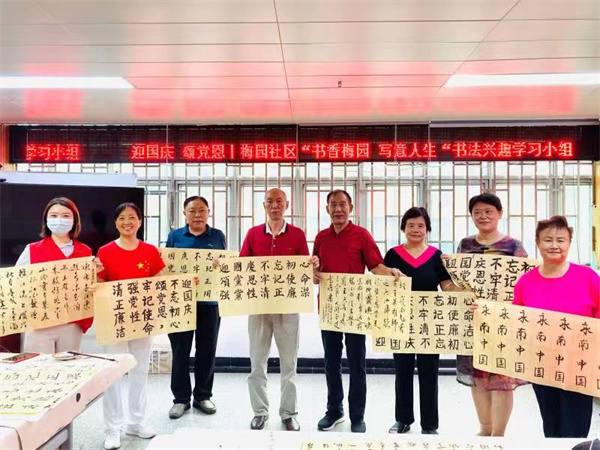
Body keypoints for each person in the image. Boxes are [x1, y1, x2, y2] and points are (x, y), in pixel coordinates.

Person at [313, 189, 403, 433]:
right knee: (331, 362)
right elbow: (314, 271)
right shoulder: (321, 237)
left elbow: (375, 266)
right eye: (333, 205)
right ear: (327, 209)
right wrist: (313, 273)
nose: (338, 209)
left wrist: (391, 272)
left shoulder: (361, 235)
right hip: (329, 307)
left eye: (343, 204)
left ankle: (357, 415)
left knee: (357, 363)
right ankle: (334, 411)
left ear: (350, 208)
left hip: (356, 308)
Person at [239, 188, 319, 432]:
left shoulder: (297, 234)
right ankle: (259, 412)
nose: (275, 206)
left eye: (279, 202)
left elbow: (305, 271)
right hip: (259, 307)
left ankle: (288, 413)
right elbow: (242, 267)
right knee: (257, 363)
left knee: (289, 363)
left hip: (288, 308)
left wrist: (313, 265)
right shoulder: (253, 233)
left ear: (287, 205)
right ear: (264, 205)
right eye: (270, 202)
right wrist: (224, 266)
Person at [513, 216, 599, 438]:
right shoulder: (526, 282)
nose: (554, 245)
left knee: (576, 424)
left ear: (569, 243)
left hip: (579, 363)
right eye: (548, 239)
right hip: (542, 362)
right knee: (551, 423)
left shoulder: (588, 277)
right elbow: (516, 319)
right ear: (537, 242)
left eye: (561, 240)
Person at [455, 192, 528, 437]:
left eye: (488, 211)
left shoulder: (513, 246)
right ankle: (484, 429)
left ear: (499, 214)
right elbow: (458, 280)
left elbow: (523, 283)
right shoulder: (465, 245)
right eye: (477, 212)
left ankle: (498, 434)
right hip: (473, 320)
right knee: (477, 376)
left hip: (503, 322)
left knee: (501, 379)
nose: (483, 216)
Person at [384, 207, 461, 435]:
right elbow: (383, 284)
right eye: (411, 225)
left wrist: (462, 291)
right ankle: (403, 419)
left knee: (429, 372)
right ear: (403, 228)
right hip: (401, 320)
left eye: (420, 226)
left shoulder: (436, 255)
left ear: (427, 229)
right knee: (403, 371)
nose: (416, 230)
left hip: (429, 322)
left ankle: (429, 424)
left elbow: (445, 285)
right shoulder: (393, 255)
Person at [96, 203, 165, 450]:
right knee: (113, 372)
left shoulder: (150, 251)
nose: (128, 222)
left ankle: (136, 422)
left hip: (142, 319)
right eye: (122, 218)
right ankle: (112, 427)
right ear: (116, 223)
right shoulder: (104, 251)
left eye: (132, 217)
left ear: (140, 221)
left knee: (139, 370)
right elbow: (98, 287)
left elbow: (158, 284)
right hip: (113, 319)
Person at [167, 196, 227, 420]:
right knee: (180, 351)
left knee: (207, 350)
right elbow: (168, 267)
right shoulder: (175, 236)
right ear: (185, 214)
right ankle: (180, 399)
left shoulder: (218, 236)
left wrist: (222, 265)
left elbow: (226, 268)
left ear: (209, 212)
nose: (197, 215)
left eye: (202, 210)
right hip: (181, 302)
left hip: (210, 303)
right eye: (192, 211)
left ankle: (203, 396)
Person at [16, 197, 96, 353]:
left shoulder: (85, 251)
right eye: (54, 215)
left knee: (68, 364)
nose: (59, 220)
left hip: (71, 321)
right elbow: (17, 282)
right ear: (46, 220)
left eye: (65, 216)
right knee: (39, 364)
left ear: (74, 220)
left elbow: (87, 286)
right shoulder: (32, 250)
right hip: (40, 322)